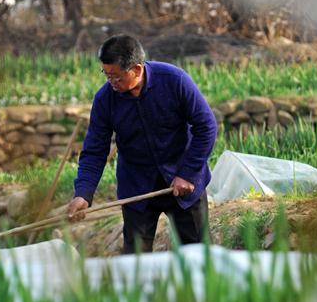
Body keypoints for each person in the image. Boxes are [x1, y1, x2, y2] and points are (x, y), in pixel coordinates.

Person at [67, 35, 217, 254]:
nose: (111, 82)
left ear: (137, 69)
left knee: (200, 256)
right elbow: (94, 151)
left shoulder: (174, 80)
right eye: (106, 75)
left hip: (183, 183)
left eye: (116, 77)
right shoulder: (105, 100)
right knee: (135, 261)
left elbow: (206, 126)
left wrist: (188, 173)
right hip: (137, 187)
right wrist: (83, 192)